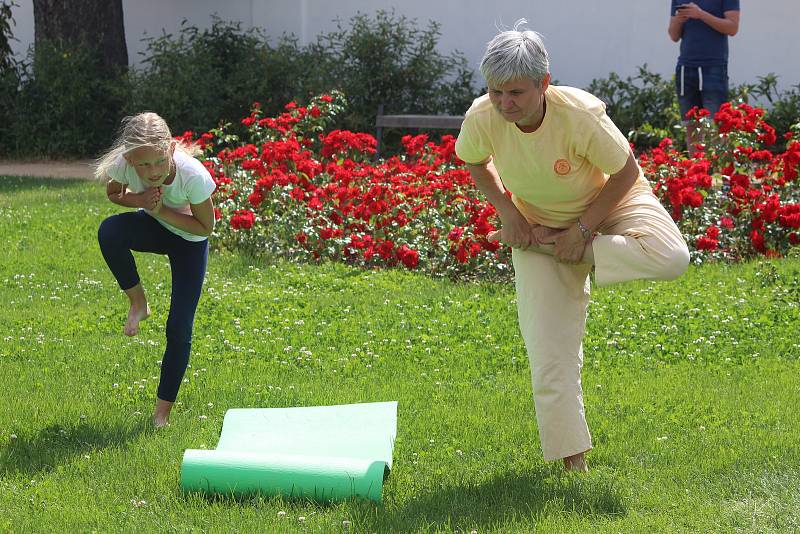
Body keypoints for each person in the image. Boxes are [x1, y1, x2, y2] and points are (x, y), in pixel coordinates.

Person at [455, 21, 690, 471]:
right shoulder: (483, 115)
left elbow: (624, 173)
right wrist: (510, 217)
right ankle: (573, 466)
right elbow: (476, 163)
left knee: (672, 256)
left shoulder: (579, 114)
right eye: (496, 91)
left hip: (612, 203)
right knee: (548, 354)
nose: (504, 103)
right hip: (538, 223)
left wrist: (582, 234)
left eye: (516, 93)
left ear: (544, 83)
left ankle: (556, 249)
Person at [95, 112, 216, 428]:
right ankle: (138, 303)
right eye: (142, 165)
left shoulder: (194, 177)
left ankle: (161, 415)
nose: (152, 172)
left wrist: (160, 208)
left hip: (190, 240)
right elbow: (113, 194)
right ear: (130, 159)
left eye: (158, 162)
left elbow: (205, 227)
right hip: (155, 225)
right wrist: (140, 199)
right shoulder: (126, 164)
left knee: (178, 327)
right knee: (109, 232)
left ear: (172, 148)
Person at [669, 1, 740, 147]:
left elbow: (732, 28)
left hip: (714, 67)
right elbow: (673, 35)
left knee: (717, 125)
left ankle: (716, 169)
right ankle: (695, 168)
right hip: (686, 67)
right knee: (691, 126)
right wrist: (678, 20)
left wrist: (700, 14)